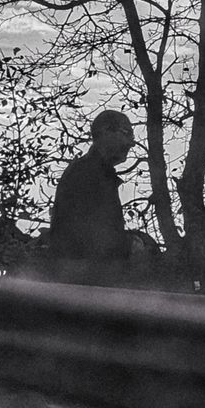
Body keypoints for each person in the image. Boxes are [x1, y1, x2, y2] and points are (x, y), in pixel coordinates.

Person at [48, 110, 135, 286]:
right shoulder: (88, 174)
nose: (131, 143)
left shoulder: (96, 172)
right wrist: (131, 246)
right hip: (84, 281)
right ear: (105, 132)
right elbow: (95, 236)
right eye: (126, 133)